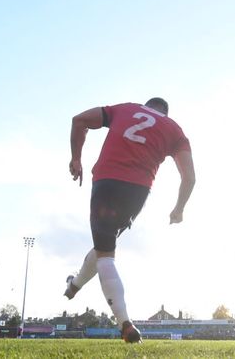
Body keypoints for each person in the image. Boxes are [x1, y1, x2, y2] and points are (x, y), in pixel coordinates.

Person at [65, 97, 195, 343]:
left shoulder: (125, 109)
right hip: (137, 191)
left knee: (106, 254)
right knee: (105, 245)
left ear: (146, 106)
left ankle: (124, 323)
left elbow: (79, 120)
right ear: (165, 112)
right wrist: (179, 208)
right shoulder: (174, 129)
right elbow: (189, 177)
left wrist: (76, 158)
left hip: (107, 181)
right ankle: (75, 285)